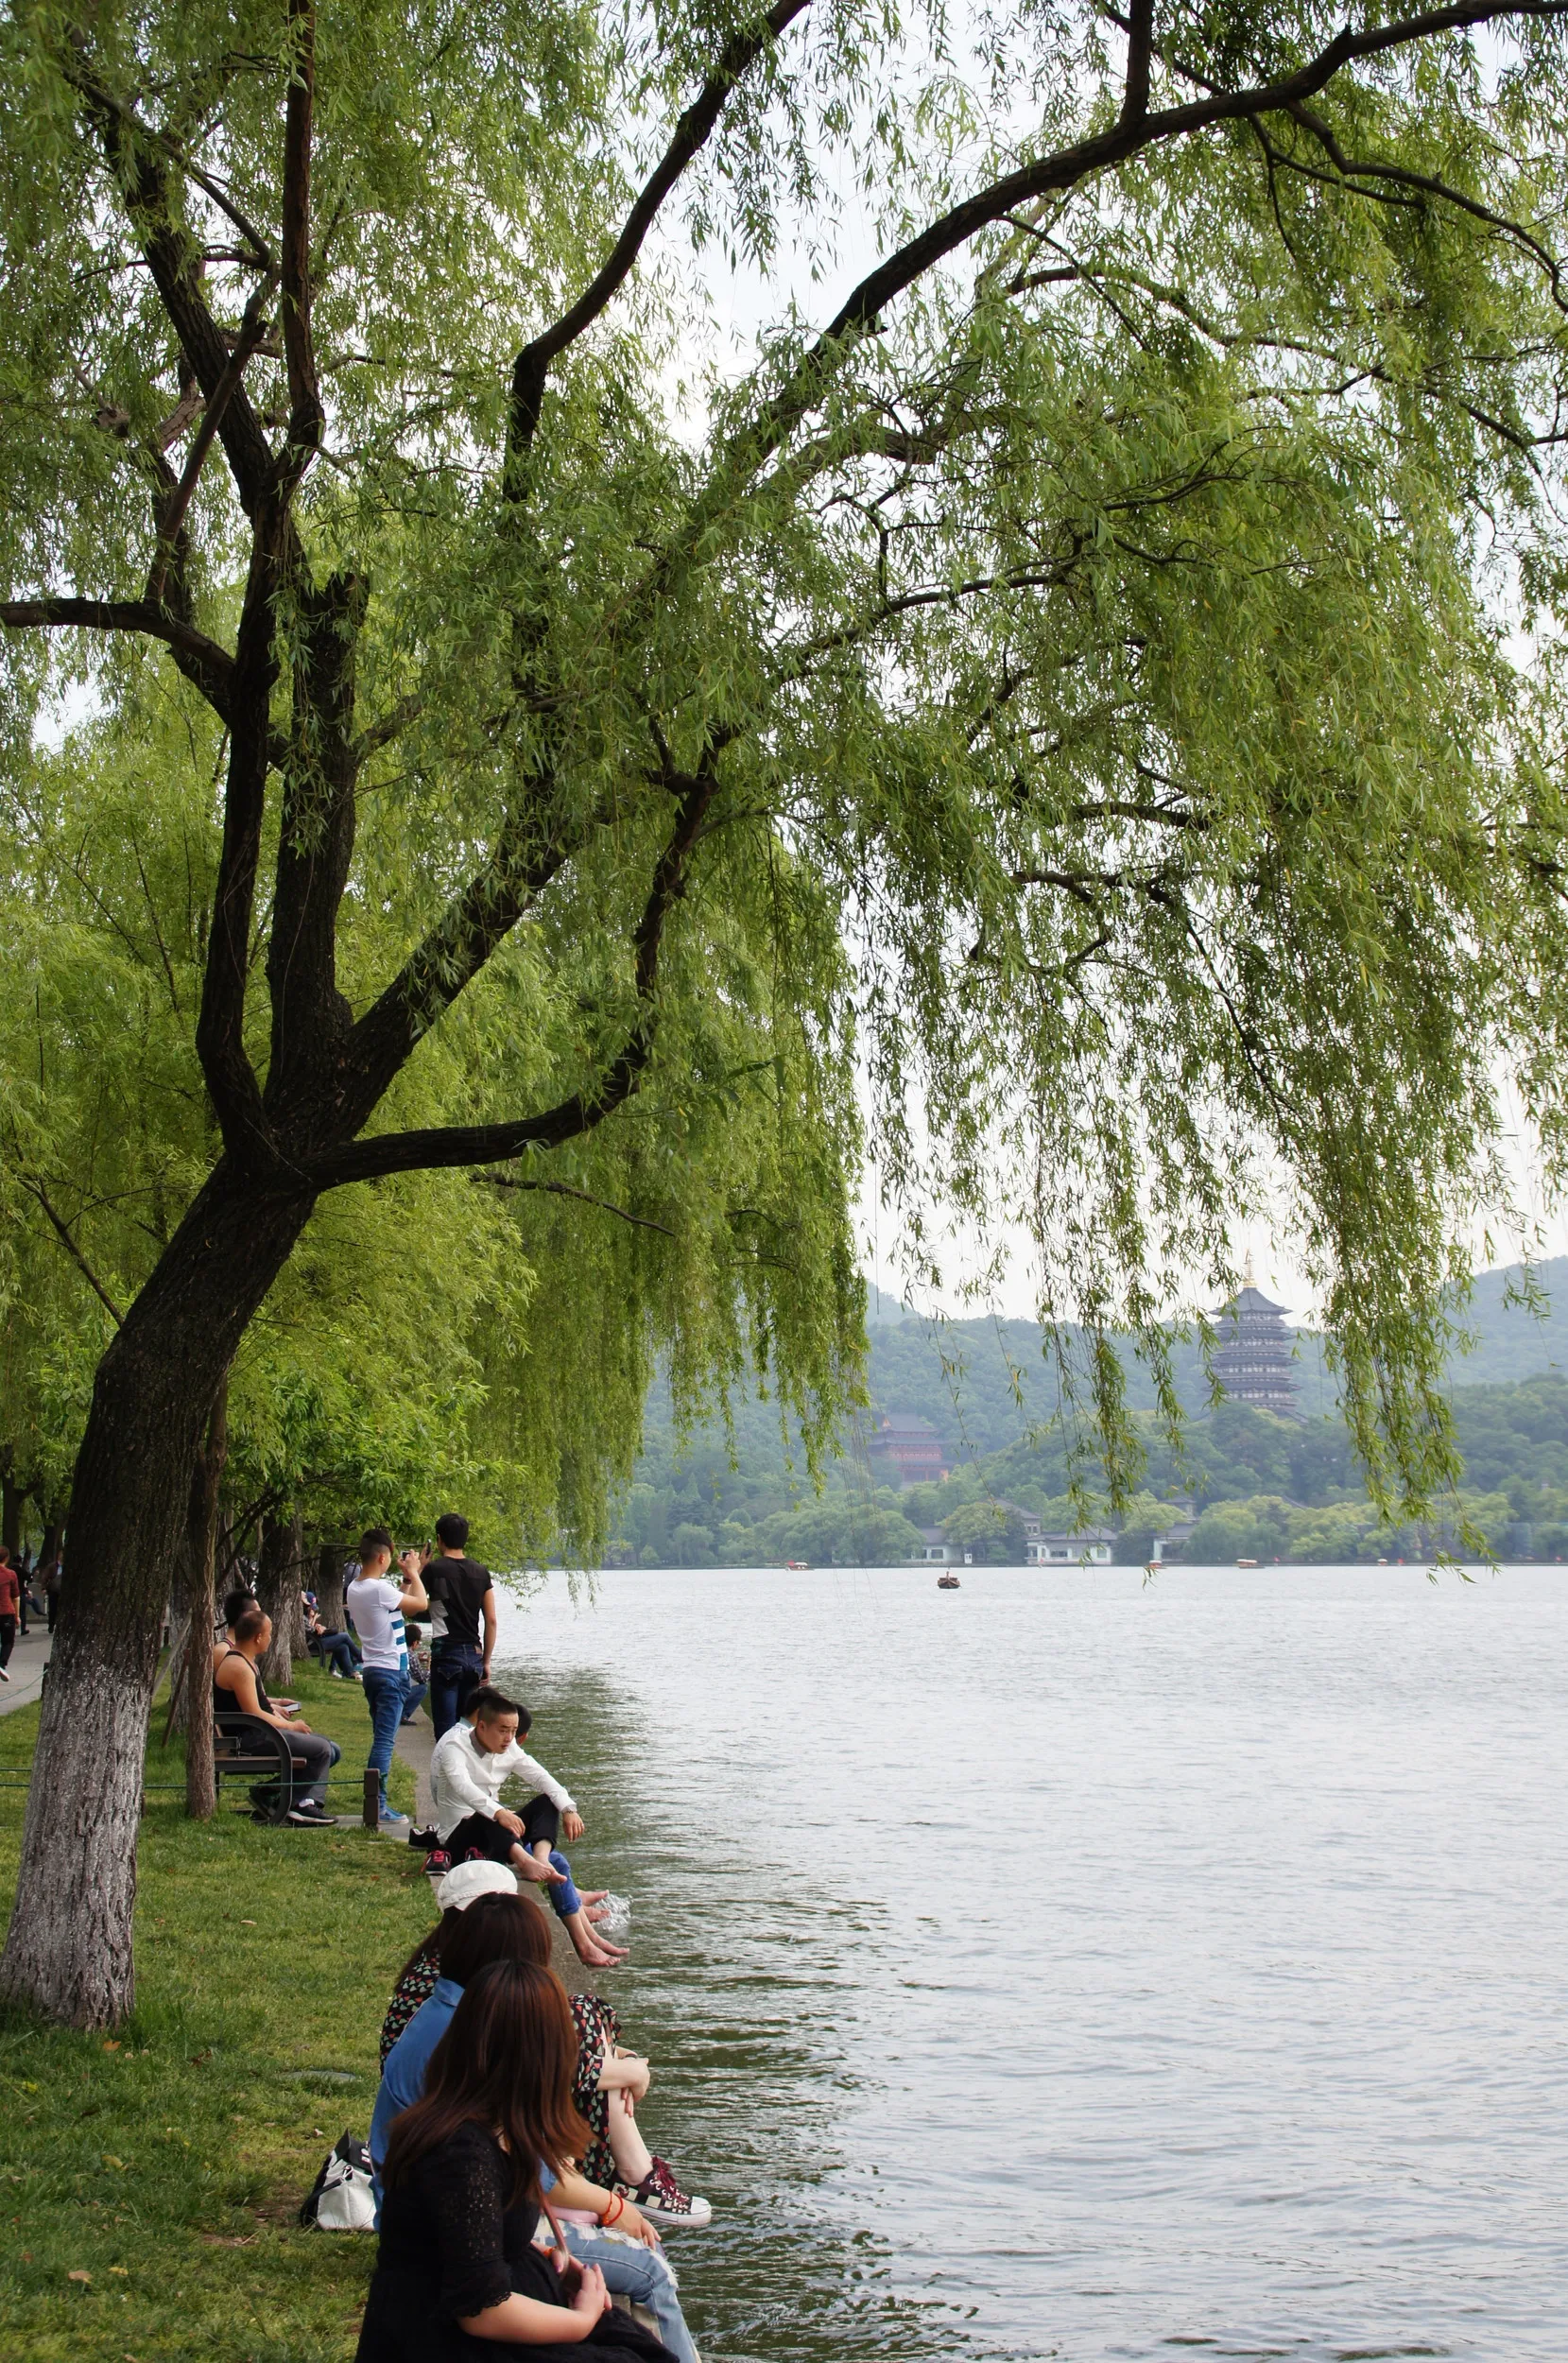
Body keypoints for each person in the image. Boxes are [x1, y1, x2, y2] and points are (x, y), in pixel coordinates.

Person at [369, 1887, 700, 2361]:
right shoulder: (462, 2153)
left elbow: (484, 2239)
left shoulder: (477, 2106)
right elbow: (481, 2307)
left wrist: (549, 2263)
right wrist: (582, 2316)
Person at [380, 1866, 710, 2229]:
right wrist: (613, 2208)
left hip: (432, 2193)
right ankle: (634, 2178)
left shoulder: (459, 1995)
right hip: (442, 2211)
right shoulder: (465, 2025)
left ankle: (634, 2177)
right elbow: (529, 2156)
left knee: (579, 2018)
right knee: (625, 2251)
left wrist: (618, 2063)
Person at [430, 1688, 625, 1968]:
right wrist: (499, 1812)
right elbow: (464, 1787)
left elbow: (542, 1777)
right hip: (460, 1838)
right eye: (503, 1731)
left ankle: (583, 1939)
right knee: (488, 1812)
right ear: (481, 1726)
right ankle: (526, 1862)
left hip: (496, 1838)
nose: (509, 1738)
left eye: (513, 1731)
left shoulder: (509, 1748)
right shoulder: (455, 1748)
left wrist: (568, 1809)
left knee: (549, 1810)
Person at [213, 1603, 340, 1824]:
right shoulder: (238, 1666)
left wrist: (278, 1705)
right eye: (269, 1634)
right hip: (248, 1739)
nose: (271, 1639)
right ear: (258, 1637)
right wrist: (291, 1726)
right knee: (322, 1749)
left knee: (332, 1749)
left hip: (258, 1733)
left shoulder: (245, 1661)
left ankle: (271, 1792)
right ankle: (298, 1805)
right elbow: (254, 1713)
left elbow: (255, 1702)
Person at [347, 1527, 429, 1828]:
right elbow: (421, 1605)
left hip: (373, 1671)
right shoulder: (377, 1589)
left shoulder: (356, 1588)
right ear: (382, 1558)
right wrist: (416, 1572)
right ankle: (377, 1805)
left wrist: (407, 1579)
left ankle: (376, 1803)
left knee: (381, 1739)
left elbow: (398, 1606)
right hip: (390, 1674)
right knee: (384, 1742)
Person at [424, 1511, 496, 1737]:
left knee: (445, 1730)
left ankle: (446, 1762)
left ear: (439, 1539)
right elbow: (491, 1620)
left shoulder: (434, 1570)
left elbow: (412, 1605)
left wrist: (415, 1572)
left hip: (446, 1653)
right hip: (474, 1656)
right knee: (468, 1730)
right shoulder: (481, 1572)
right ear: (465, 1538)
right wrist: (486, 1661)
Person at [303, 1589, 361, 1681]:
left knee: (342, 1646)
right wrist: (314, 1623)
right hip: (312, 1643)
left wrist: (319, 1626)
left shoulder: (306, 1617)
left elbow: (311, 1629)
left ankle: (349, 1673)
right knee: (345, 1636)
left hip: (315, 1640)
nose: (312, 1609)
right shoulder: (301, 1617)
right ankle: (360, 1658)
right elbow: (309, 1631)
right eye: (310, 1607)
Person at [0, 1544, 17, 1681]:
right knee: (8, 1641)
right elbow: (15, 1597)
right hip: (6, 1612)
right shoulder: (10, 1574)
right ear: (6, 1558)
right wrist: (17, 1616)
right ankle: (2, 1664)